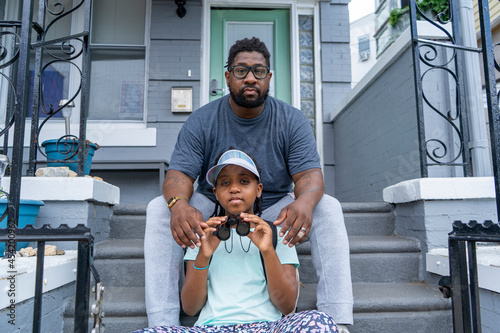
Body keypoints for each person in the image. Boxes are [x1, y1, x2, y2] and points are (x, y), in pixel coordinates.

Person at [145, 37, 353, 330]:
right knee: (159, 208)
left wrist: (304, 202)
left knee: (327, 206)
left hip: (275, 206)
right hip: (213, 204)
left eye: (259, 71)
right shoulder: (203, 119)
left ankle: (338, 317)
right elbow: (178, 176)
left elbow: (311, 177)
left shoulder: (291, 119)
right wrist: (178, 205)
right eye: (241, 71)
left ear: (269, 77)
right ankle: (164, 322)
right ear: (228, 76)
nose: (251, 78)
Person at [136, 150, 338, 332]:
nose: (234, 189)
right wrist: (203, 256)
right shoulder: (202, 235)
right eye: (225, 183)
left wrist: (268, 251)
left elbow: (286, 305)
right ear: (215, 193)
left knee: (320, 321)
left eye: (244, 181)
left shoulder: (276, 233)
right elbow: (190, 308)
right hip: (212, 328)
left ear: (258, 189)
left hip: (267, 328)